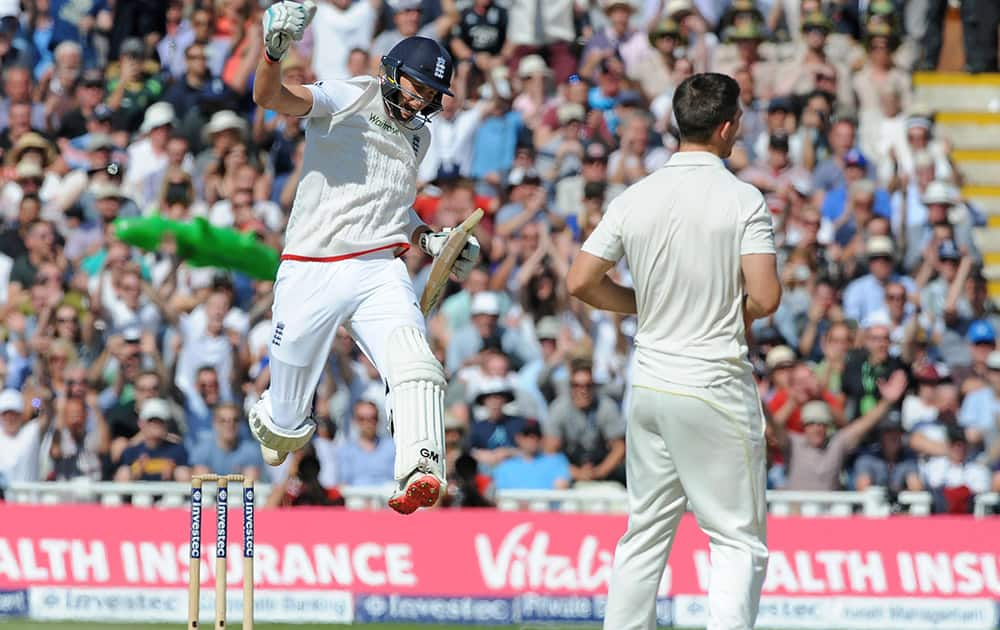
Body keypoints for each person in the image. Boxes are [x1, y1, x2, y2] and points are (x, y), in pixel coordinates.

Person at [567, 73, 780, 630]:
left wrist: (648, 304)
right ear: (728, 126)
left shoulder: (636, 195)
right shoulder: (743, 198)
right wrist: (721, 309)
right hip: (713, 383)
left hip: (652, 383)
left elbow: (581, 281)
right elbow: (766, 296)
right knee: (736, 540)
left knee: (644, 533)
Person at [250, 2, 481, 515]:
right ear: (393, 72)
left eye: (430, 94)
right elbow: (268, 97)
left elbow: (397, 213)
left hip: (378, 268)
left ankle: (421, 469)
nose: (421, 100)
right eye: (416, 85)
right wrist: (273, 52)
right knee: (283, 429)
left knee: (417, 364)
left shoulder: (419, 136)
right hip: (312, 265)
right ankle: (277, 416)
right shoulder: (352, 95)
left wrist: (431, 242)